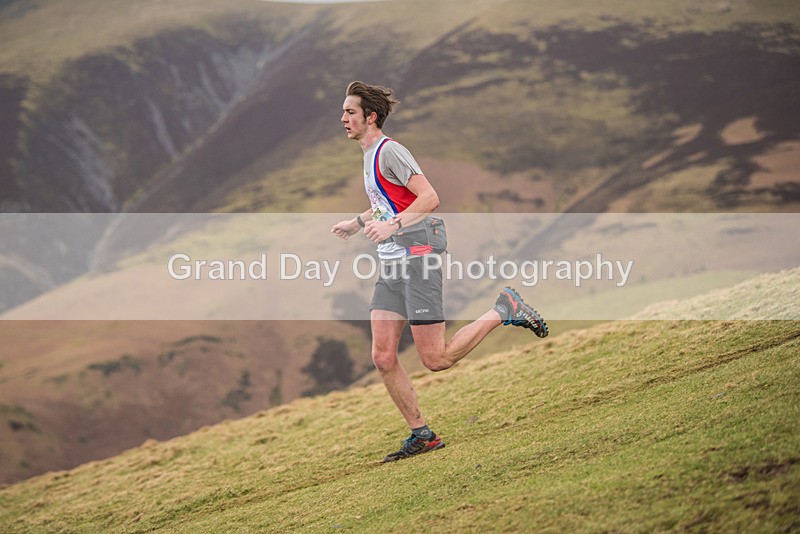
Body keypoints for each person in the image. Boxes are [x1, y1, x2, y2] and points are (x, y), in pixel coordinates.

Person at [331, 81, 548, 463]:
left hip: (418, 253)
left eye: (350, 112)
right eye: (344, 111)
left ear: (371, 117)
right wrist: (357, 221)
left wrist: (393, 226)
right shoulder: (368, 156)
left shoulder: (390, 151)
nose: (343, 118)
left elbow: (429, 197)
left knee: (436, 359)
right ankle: (423, 435)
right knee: (383, 356)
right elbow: (389, 202)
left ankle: (504, 310)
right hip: (393, 259)